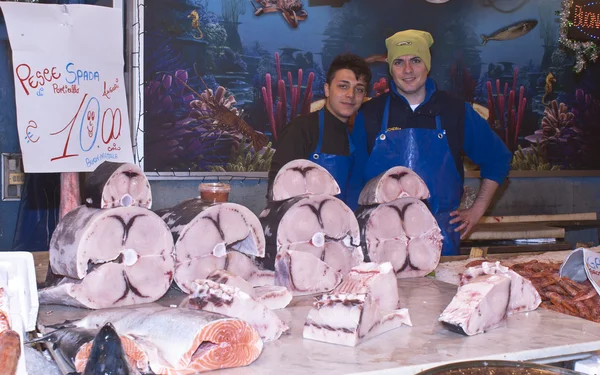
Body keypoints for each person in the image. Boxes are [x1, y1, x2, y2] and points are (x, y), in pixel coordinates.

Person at [348, 29, 511, 256]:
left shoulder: (455, 110)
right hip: (381, 243)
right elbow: (353, 179)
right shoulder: (370, 113)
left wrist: (477, 210)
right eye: (399, 62)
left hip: (440, 240)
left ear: (427, 64)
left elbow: (498, 159)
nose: (407, 70)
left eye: (415, 60)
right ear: (390, 69)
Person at [267, 53, 372, 202]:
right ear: (327, 89)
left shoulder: (357, 136)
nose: (351, 95)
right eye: (343, 86)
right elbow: (277, 189)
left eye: (359, 89)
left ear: (365, 96)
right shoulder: (301, 129)